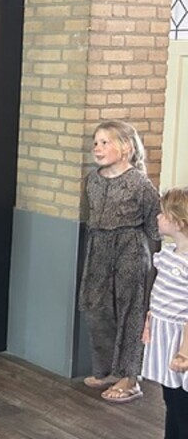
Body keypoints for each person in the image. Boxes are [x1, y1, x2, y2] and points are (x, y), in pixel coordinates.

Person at [79, 120, 160, 403]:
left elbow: (154, 226)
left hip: (130, 252)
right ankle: (107, 369)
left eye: (105, 142)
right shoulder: (92, 180)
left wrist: (153, 265)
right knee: (96, 307)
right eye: (95, 142)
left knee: (130, 312)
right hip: (98, 250)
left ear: (126, 148)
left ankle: (130, 377)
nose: (97, 148)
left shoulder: (140, 184)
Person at [128, 187, 188, 439]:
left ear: (179, 222)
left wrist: (184, 352)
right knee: (171, 396)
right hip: (165, 334)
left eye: (163, 214)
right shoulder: (171, 254)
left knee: (184, 404)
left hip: (182, 340)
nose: (158, 217)